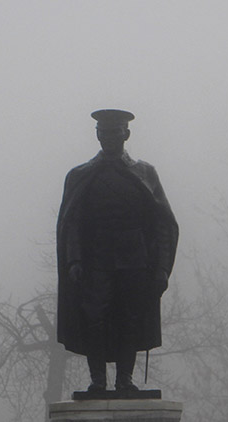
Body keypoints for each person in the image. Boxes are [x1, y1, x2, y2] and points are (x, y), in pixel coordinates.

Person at [56, 109, 179, 396]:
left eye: (114, 132)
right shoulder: (80, 175)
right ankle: (98, 380)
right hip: (95, 259)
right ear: (97, 135)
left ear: (126, 134)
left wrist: (162, 267)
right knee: (94, 317)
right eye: (103, 132)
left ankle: (125, 379)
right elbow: (72, 224)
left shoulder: (144, 173)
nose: (108, 138)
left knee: (130, 317)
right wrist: (74, 259)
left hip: (135, 259)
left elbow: (162, 223)